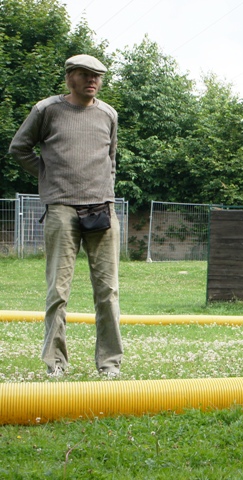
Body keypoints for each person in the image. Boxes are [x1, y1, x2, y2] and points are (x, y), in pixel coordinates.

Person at [9, 54, 123, 378]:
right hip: (61, 210)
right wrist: (48, 176)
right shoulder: (46, 110)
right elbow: (19, 148)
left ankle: (110, 366)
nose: (93, 81)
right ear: (70, 77)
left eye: (98, 76)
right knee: (58, 292)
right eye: (86, 74)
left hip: (102, 210)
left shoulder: (108, 114)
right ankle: (56, 365)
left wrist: (105, 190)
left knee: (108, 292)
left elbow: (110, 160)